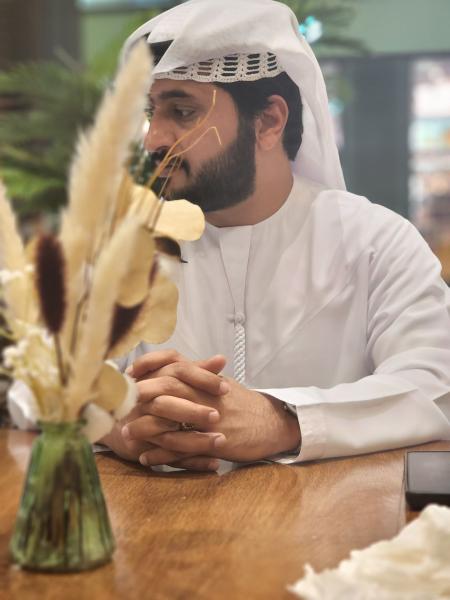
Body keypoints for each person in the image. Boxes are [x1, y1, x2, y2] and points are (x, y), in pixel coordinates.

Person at [101, 0, 450, 472]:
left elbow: (434, 388)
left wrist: (283, 421)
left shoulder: (377, 243)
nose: (154, 140)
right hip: (162, 514)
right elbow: (44, 379)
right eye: (152, 112)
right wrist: (118, 424)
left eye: (182, 111)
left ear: (268, 121)